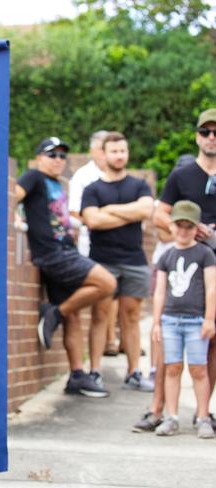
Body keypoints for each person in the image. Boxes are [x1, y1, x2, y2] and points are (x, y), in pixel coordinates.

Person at [15, 137, 116, 398]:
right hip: (54, 254)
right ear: (38, 157)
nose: (59, 160)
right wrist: (15, 217)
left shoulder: (56, 184)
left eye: (62, 156)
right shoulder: (34, 177)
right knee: (107, 283)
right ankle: (54, 313)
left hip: (64, 251)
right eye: (52, 155)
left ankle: (76, 376)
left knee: (74, 316)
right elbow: (12, 196)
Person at [142, 107, 216, 430]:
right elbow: (159, 215)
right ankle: (158, 410)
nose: (212, 138)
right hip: (184, 266)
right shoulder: (182, 175)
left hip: (212, 269)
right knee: (164, 337)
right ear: (197, 136)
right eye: (206, 132)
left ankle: (204, 413)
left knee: (211, 343)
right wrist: (193, 227)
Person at [81, 131, 155, 392]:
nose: (119, 155)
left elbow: (146, 210)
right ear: (103, 154)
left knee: (131, 317)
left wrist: (109, 211)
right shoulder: (92, 189)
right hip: (103, 262)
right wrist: (129, 214)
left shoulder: (139, 185)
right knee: (100, 316)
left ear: (127, 153)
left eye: (123, 150)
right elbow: (92, 220)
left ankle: (134, 372)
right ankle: (95, 371)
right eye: (114, 151)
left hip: (134, 260)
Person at [151, 200, 215, 438]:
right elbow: (159, 292)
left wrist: (209, 319)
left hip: (195, 321)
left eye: (189, 226)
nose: (184, 230)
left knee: (199, 369)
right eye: (180, 225)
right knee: (172, 367)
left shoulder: (205, 254)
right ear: (171, 226)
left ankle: (203, 416)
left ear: (197, 228)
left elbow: (211, 288)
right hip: (170, 320)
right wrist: (157, 322)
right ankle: (171, 416)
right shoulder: (166, 256)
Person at [68, 130, 121, 357]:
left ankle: (112, 339)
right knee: (102, 293)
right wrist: (103, 218)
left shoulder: (119, 177)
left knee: (116, 295)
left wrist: (103, 215)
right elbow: (76, 213)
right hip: (90, 246)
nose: (104, 154)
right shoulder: (83, 176)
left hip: (118, 247)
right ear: (93, 151)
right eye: (102, 149)